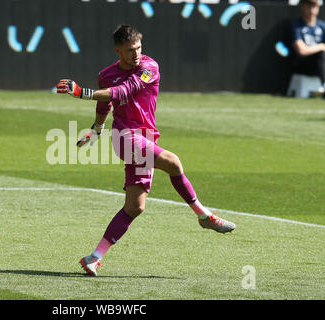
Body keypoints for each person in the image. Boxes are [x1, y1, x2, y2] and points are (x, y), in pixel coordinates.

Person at [56, 24, 235, 277]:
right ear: (118, 51)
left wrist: (81, 93)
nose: (136, 54)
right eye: (130, 50)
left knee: (135, 206)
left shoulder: (149, 67)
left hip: (145, 138)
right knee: (173, 162)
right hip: (125, 138)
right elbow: (107, 104)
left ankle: (93, 258)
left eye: (139, 48)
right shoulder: (106, 74)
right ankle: (203, 215)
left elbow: (124, 91)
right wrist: (96, 130)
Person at [291, 0, 325, 96]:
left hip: (322, 65)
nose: (312, 9)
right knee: (322, 54)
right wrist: (321, 46)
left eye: (314, 6)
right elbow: (301, 50)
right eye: (309, 5)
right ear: (303, 7)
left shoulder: (322, 26)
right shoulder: (297, 26)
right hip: (303, 64)